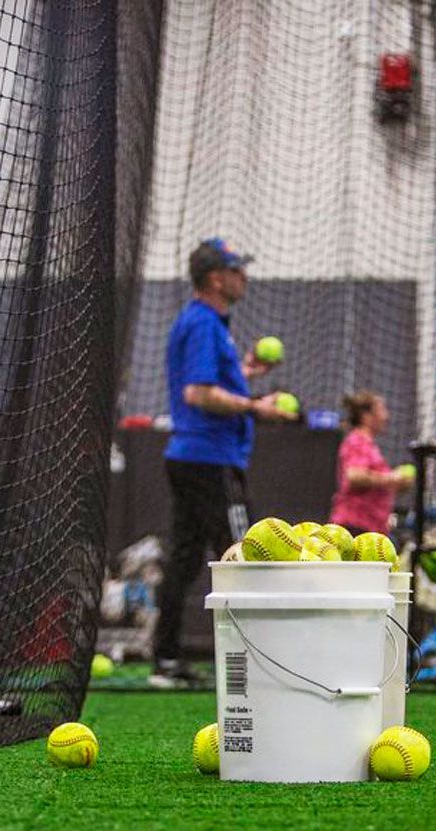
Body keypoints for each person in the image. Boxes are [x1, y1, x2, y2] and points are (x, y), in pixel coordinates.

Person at [150, 238, 293, 688]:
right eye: (236, 270)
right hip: (210, 459)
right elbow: (199, 394)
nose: (244, 277)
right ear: (216, 278)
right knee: (246, 555)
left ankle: (167, 660)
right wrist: (256, 407)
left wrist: (244, 372)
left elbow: (207, 382)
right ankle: (259, 664)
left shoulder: (207, 324)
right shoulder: (203, 323)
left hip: (196, 456)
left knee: (187, 558)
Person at [329, 391, 412, 537]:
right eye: (381, 410)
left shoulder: (368, 445)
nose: (386, 417)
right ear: (366, 416)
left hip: (371, 527)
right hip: (354, 527)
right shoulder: (357, 441)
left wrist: (398, 484)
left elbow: (374, 483)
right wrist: (393, 478)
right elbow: (355, 476)